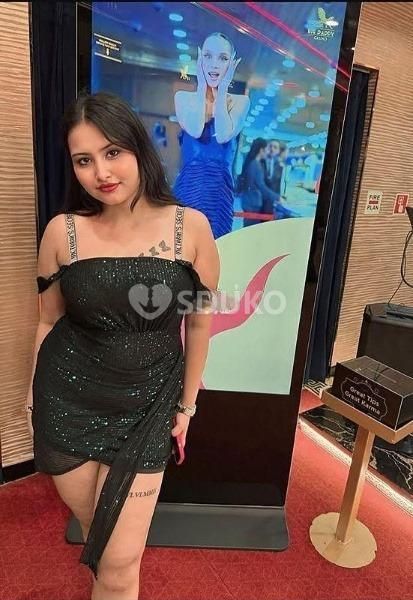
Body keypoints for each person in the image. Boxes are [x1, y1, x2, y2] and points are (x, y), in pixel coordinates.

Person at [25, 92, 219, 600]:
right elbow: (47, 321)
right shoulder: (63, 232)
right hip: (67, 402)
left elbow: (198, 325)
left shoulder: (190, 228)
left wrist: (188, 406)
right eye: (83, 160)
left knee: (120, 560)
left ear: (138, 148)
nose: (101, 172)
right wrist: (32, 395)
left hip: (148, 407)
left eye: (112, 152)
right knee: (100, 539)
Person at [173, 32, 250, 238]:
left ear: (232, 63)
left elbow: (223, 135)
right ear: (200, 58)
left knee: (216, 249)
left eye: (223, 58)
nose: (214, 64)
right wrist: (201, 87)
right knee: (182, 249)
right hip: (187, 190)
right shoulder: (183, 98)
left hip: (219, 196)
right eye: (207, 56)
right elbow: (196, 129)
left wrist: (222, 89)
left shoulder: (240, 102)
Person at [237, 138, 298, 227]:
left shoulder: (255, 163)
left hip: (253, 203)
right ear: (261, 150)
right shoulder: (255, 164)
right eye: (266, 149)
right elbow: (261, 186)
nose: (267, 152)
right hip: (252, 204)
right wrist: (277, 197)